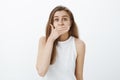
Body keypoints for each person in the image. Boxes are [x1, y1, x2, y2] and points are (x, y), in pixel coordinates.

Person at [36, 5, 86, 80]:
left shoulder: (79, 44)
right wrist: (51, 39)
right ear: (52, 23)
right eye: (56, 19)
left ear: (71, 22)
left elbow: (79, 76)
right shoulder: (44, 41)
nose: (60, 23)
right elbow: (41, 72)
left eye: (65, 19)